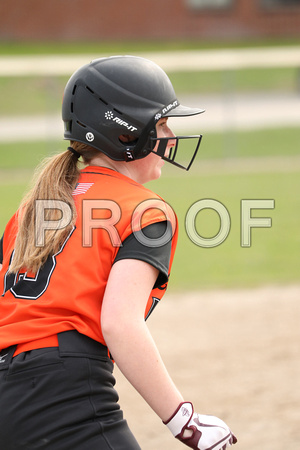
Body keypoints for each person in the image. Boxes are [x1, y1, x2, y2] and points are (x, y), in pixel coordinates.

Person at [0, 55, 237, 449]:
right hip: (63, 392)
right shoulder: (145, 209)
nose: (171, 136)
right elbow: (119, 324)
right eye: (160, 123)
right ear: (126, 134)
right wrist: (184, 421)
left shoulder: (30, 210)